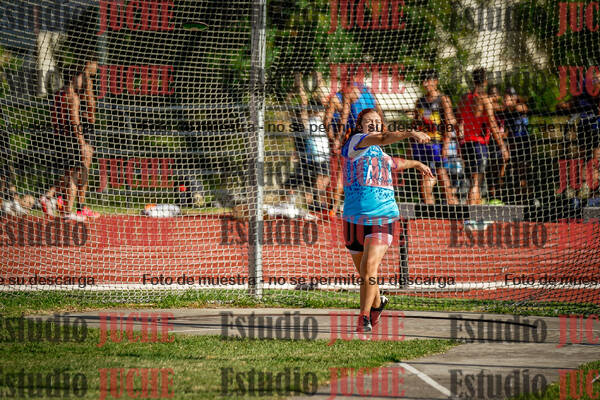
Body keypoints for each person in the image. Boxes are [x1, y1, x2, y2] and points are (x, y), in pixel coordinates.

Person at [340, 107, 432, 332]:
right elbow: (381, 138)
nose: (373, 124)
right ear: (360, 126)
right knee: (365, 274)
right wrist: (410, 132)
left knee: (369, 267)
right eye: (368, 121)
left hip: (383, 215)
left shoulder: (380, 153)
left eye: (377, 121)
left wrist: (417, 164)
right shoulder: (356, 142)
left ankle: (363, 318)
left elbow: (396, 163)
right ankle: (378, 304)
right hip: (353, 219)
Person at [40, 60, 99, 220]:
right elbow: (83, 116)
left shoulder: (62, 93)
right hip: (76, 135)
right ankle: (71, 208)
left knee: (71, 172)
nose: (97, 67)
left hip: (64, 135)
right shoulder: (74, 95)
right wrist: (82, 142)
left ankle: (52, 197)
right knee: (78, 172)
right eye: (94, 63)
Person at [325, 80, 384, 215]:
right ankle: (339, 207)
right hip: (363, 138)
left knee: (343, 174)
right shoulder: (366, 92)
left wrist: (336, 139)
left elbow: (340, 118)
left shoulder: (352, 94)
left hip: (354, 139)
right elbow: (379, 112)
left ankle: (335, 208)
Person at [457, 68, 509, 205]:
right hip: (478, 144)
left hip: (465, 144)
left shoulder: (464, 98)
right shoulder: (485, 99)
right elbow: (492, 124)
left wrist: (458, 141)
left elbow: (458, 121)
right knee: (476, 182)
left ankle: (471, 210)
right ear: (485, 81)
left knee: (472, 181)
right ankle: (470, 213)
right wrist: (502, 147)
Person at [283, 72, 331, 212]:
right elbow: (303, 103)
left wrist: (319, 81)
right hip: (314, 156)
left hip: (322, 155)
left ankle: (315, 202)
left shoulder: (321, 119)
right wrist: (299, 85)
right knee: (309, 180)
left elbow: (322, 99)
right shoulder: (306, 122)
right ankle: (311, 202)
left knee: (322, 178)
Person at [412, 70, 459, 204]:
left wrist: (446, 145)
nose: (425, 84)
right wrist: (412, 143)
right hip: (422, 145)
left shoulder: (443, 99)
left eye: (427, 81)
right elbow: (415, 123)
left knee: (441, 174)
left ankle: (452, 204)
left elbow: (449, 123)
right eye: (423, 81)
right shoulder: (420, 101)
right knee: (425, 176)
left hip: (437, 143)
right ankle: (429, 207)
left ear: (435, 81)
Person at [502, 87, 532, 204]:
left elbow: (523, 108)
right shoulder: (507, 112)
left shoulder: (520, 107)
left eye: (507, 98)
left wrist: (512, 102)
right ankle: (518, 199)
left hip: (524, 143)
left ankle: (527, 199)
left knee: (523, 172)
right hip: (514, 144)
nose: (505, 101)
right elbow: (508, 130)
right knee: (515, 172)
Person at [484, 85, 507, 203]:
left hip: (501, 142)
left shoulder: (502, 108)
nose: (494, 97)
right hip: (491, 142)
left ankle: (499, 197)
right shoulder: (488, 105)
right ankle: (492, 198)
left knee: (500, 172)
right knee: (491, 173)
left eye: (495, 95)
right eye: (491, 95)